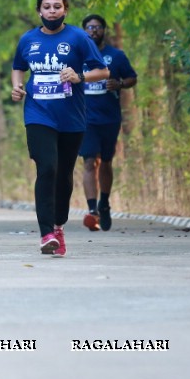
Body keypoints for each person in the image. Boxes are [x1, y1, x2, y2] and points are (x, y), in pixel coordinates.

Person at [10, 0, 109, 256]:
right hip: (38, 114)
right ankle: (46, 234)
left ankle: (58, 225)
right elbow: (18, 66)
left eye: (57, 7)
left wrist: (79, 76)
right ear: (39, 11)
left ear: (65, 10)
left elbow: (103, 70)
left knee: (64, 175)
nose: (52, 11)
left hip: (71, 117)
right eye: (47, 7)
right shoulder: (28, 40)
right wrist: (17, 87)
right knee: (47, 168)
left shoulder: (78, 37)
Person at [79, 15, 138, 231]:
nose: (93, 31)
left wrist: (120, 83)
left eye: (97, 27)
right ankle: (92, 209)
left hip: (109, 118)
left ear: (104, 30)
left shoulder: (116, 56)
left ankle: (104, 203)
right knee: (88, 162)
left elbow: (132, 78)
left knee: (105, 162)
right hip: (85, 119)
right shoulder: (78, 56)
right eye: (89, 28)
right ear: (84, 31)